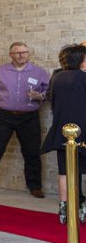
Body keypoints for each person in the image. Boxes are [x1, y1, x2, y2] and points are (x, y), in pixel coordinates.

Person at [0, 42, 49, 197]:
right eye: (17, 52)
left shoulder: (39, 72)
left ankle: (35, 187)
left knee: (32, 152)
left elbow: (48, 91)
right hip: (2, 116)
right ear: (11, 55)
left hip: (29, 117)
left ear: (28, 53)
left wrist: (40, 96)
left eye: (24, 52)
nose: (21, 55)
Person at [41, 44, 86, 224]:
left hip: (63, 129)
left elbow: (52, 101)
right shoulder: (83, 78)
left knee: (65, 170)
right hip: (83, 130)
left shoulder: (58, 78)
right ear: (80, 59)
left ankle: (64, 207)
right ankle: (82, 207)